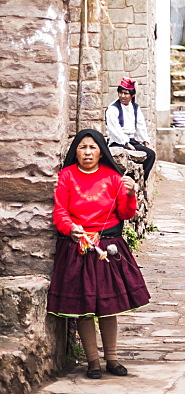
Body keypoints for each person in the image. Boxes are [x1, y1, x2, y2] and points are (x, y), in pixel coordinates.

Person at [47, 128, 150, 379]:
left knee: (107, 307)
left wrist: (129, 193)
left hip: (107, 247)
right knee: (84, 307)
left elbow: (125, 214)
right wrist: (71, 228)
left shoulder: (114, 178)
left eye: (93, 147)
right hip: (78, 248)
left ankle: (112, 359)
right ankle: (92, 361)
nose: (88, 152)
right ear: (76, 151)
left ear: (101, 152)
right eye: (82, 147)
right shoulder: (67, 176)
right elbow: (60, 211)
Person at [105, 78, 156, 177]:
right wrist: (127, 144)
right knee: (126, 155)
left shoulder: (135, 108)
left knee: (150, 154)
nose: (122, 96)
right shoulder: (113, 109)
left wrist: (144, 141)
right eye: (121, 93)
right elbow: (115, 130)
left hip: (131, 140)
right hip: (117, 141)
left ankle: (142, 180)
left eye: (126, 93)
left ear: (132, 95)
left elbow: (141, 125)